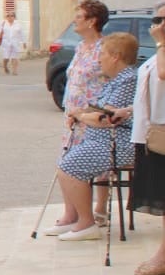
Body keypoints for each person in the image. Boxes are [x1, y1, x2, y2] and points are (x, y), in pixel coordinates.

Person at [48, 33, 138, 241]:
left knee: (70, 169)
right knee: (66, 162)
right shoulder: (115, 79)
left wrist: (81, 115)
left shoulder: (128, 79)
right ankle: (74, 218)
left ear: (116, 56)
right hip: (101, 140)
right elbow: (97, 110)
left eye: (103, 54)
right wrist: (80, 114)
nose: (99, 59)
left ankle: (86, 223)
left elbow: (106, 118)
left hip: (118, 142)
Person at [49, 0, 111, 229]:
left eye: (79, 16)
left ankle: (100, 208)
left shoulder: (104, 48)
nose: (75, 20)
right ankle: (70, 212)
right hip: (72, 113)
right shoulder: (79, 47)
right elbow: (73, 79)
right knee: (67, 160)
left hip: (93, 113)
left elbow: (109, 81)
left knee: (98, 164)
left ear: (92, 21)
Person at [126, 6, 165, 275]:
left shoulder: (162, 50)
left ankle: (162, 257)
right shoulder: (158, 52)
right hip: (149, 134)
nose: (158, 25)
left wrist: (161, 41)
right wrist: (126, 111)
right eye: (156, 20)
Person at [0, 9, 27, 76]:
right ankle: (5, 67)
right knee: (6, 58)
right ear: (6, 17)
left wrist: (24, 42)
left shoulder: (18, 24)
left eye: (12, 16)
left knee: (14, 57)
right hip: (6, 43)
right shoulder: (3, 23)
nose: (10, 17)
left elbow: (22, 34)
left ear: (14, 17)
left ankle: (14, 70)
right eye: (8, 16)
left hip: (15, 43)